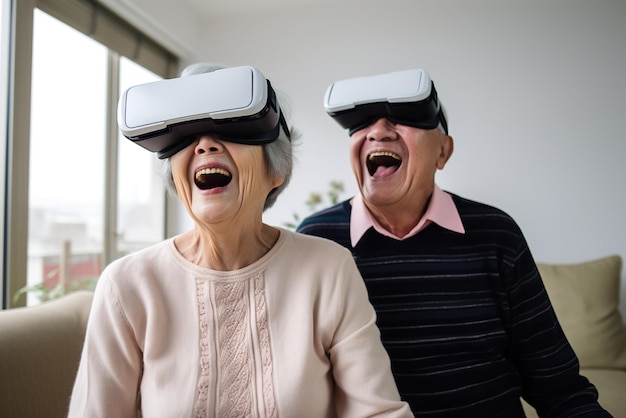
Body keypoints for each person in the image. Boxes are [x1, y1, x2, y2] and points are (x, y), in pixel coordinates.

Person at [67, 63, 413, 417]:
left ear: (274, 170)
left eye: (228, 128)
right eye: (186, 135)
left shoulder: (328, 270)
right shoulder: (127, 286)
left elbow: (378, 412)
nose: (204, 145)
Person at [297, 68, 611, 417]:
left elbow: (558, 386)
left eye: (404, 119)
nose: (379, 132)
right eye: (361, 124)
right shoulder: (318, 240)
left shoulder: (496, 233)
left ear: (443, 152)